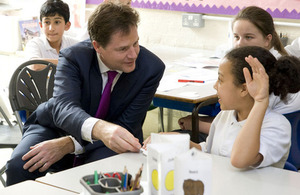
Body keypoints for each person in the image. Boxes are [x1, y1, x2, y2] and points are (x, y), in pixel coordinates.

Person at [6, 3, 165, 186]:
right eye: (122, 49)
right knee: (20, 165)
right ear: (97, 46)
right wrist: (96, 129)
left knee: (100, 175)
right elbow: (64, 108)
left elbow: (127, 125)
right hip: (55, 128)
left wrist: (70, 144)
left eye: (135, 43)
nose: (133, 54)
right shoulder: (74, 57)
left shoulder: (151, 68)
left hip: (109, 142)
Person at [144, 46, 300, 169]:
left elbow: (240, 159)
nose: (215, 86)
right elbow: (210, 153)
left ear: (244, 89)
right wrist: (178, 141)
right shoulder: (224, 116)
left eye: (220, 80)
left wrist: (260, 101)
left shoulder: (277, 126)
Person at [177, 6, 297, 141]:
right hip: (256, 134)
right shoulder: (263, 63)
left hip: (259, 140)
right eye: (236, 37)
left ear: (267, 40)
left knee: (178, 139)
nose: (240, 43)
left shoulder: (268, 73)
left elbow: (244, 128)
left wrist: (196, 124)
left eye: (249, 37)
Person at [25, 0, 79, 68]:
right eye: (47, 22)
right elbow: (34, 65)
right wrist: (69, 63)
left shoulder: (74, 45)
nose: (51, 29)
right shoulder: (34, 44)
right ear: (41, 25)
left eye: (57, 22)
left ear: (67, 25)